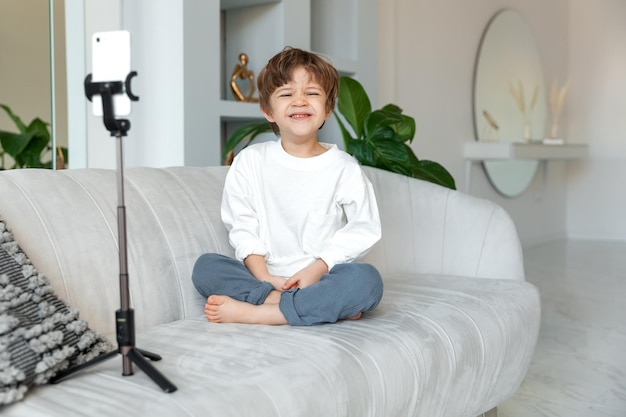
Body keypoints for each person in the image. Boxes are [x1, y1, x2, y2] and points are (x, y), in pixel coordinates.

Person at [192, 47, 383, 326]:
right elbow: (242, 226)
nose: (300, 101)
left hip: (320, 278)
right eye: (286, 94)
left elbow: (364, 228)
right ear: (268, 110)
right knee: (206, 268)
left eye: (312, 93)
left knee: (367, 281)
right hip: (265, 280)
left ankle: (263, 313)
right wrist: (264, 277)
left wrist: (317, 270)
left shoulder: (344, 168)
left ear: (328, 108)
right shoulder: (250, 161)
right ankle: (312, 307)